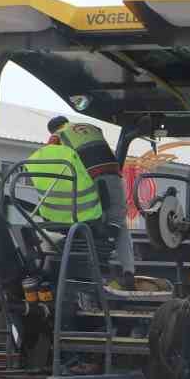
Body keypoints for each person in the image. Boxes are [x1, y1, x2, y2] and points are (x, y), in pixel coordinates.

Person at [29, 116, 136, 278]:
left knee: (85, 215)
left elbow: (52, 160)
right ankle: (128, 271)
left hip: (88, 176)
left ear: (53, 129)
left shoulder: (58, 135)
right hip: (112, 171)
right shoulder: (89, 127)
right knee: (119, 223)